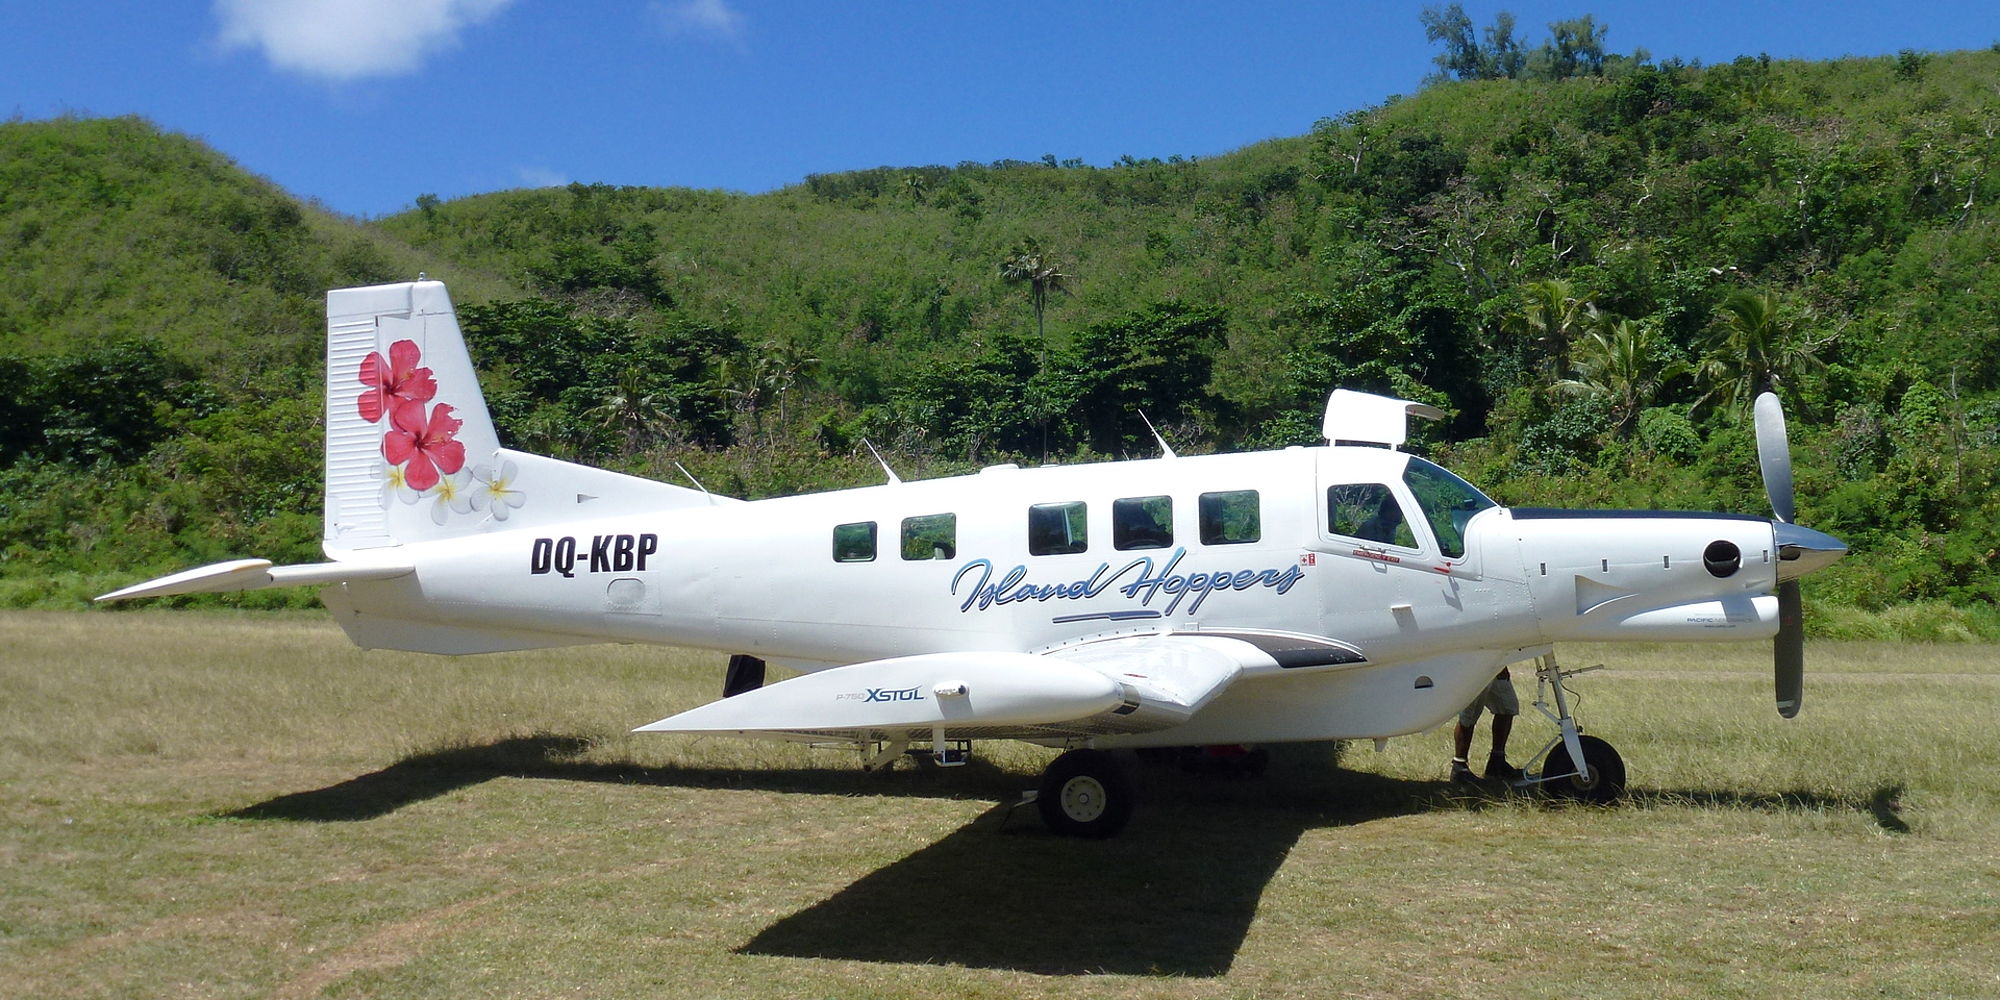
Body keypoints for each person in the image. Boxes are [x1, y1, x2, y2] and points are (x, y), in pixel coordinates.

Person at [1451, 667, 1523, 784]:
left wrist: (1500, 664)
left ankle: (1496, 763)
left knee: (1507, 706)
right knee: (1469, 715)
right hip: (1475, 665)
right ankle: (1459, 768)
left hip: (1493, 663)